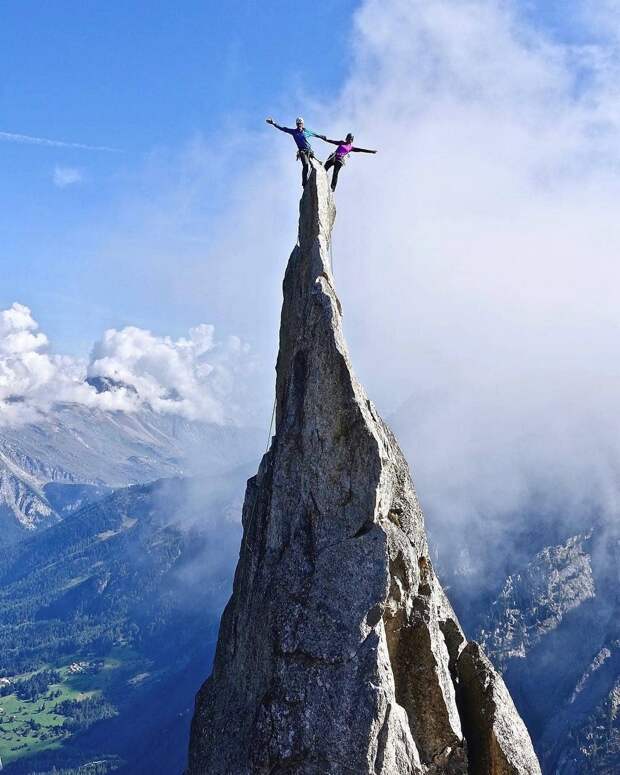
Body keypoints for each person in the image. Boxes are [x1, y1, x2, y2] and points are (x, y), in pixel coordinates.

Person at [266, 116, 328, 187]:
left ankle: (315, 180)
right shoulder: (294, 132)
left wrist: (322, 137)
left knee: (314, 165)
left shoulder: (306, 131)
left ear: (302, 124)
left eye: (300, 123)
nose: (299, 125)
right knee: (305, 165)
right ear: (296, 124)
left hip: (309, 151)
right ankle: (304, 183)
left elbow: (315, 134)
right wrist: (273, 123)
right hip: (302, 151)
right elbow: (284, 129)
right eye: (298, 124)